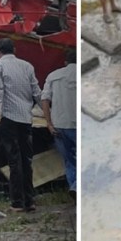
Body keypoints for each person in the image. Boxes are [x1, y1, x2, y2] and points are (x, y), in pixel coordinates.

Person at [0, 38, 41, 212]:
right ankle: (30, 201)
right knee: (27, 161)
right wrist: (51, 117)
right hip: (26, 119)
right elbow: (37, 93)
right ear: (15, 49)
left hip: (9, 119)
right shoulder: (27, 66)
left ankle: (17, 203)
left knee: (14, 161)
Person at [41, 49, 77, 199]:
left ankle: (74, 186)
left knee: (69, 160)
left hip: (59, 126)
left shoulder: (53, 76)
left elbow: (45, 100)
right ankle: (78, 187)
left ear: (65, 62)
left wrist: (49, 123)